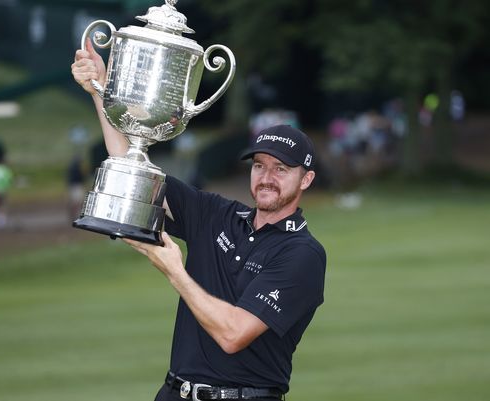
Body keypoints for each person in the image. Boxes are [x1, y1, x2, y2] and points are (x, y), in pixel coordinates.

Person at [72, 39, 327, 401]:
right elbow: (132, 167)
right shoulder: (215, 215)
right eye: (259, 166)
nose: (266, 177)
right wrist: (101, 91)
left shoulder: (302, 254)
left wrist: (174, 269)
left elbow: (233, 334)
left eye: (281, 169)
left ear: (306, 179)